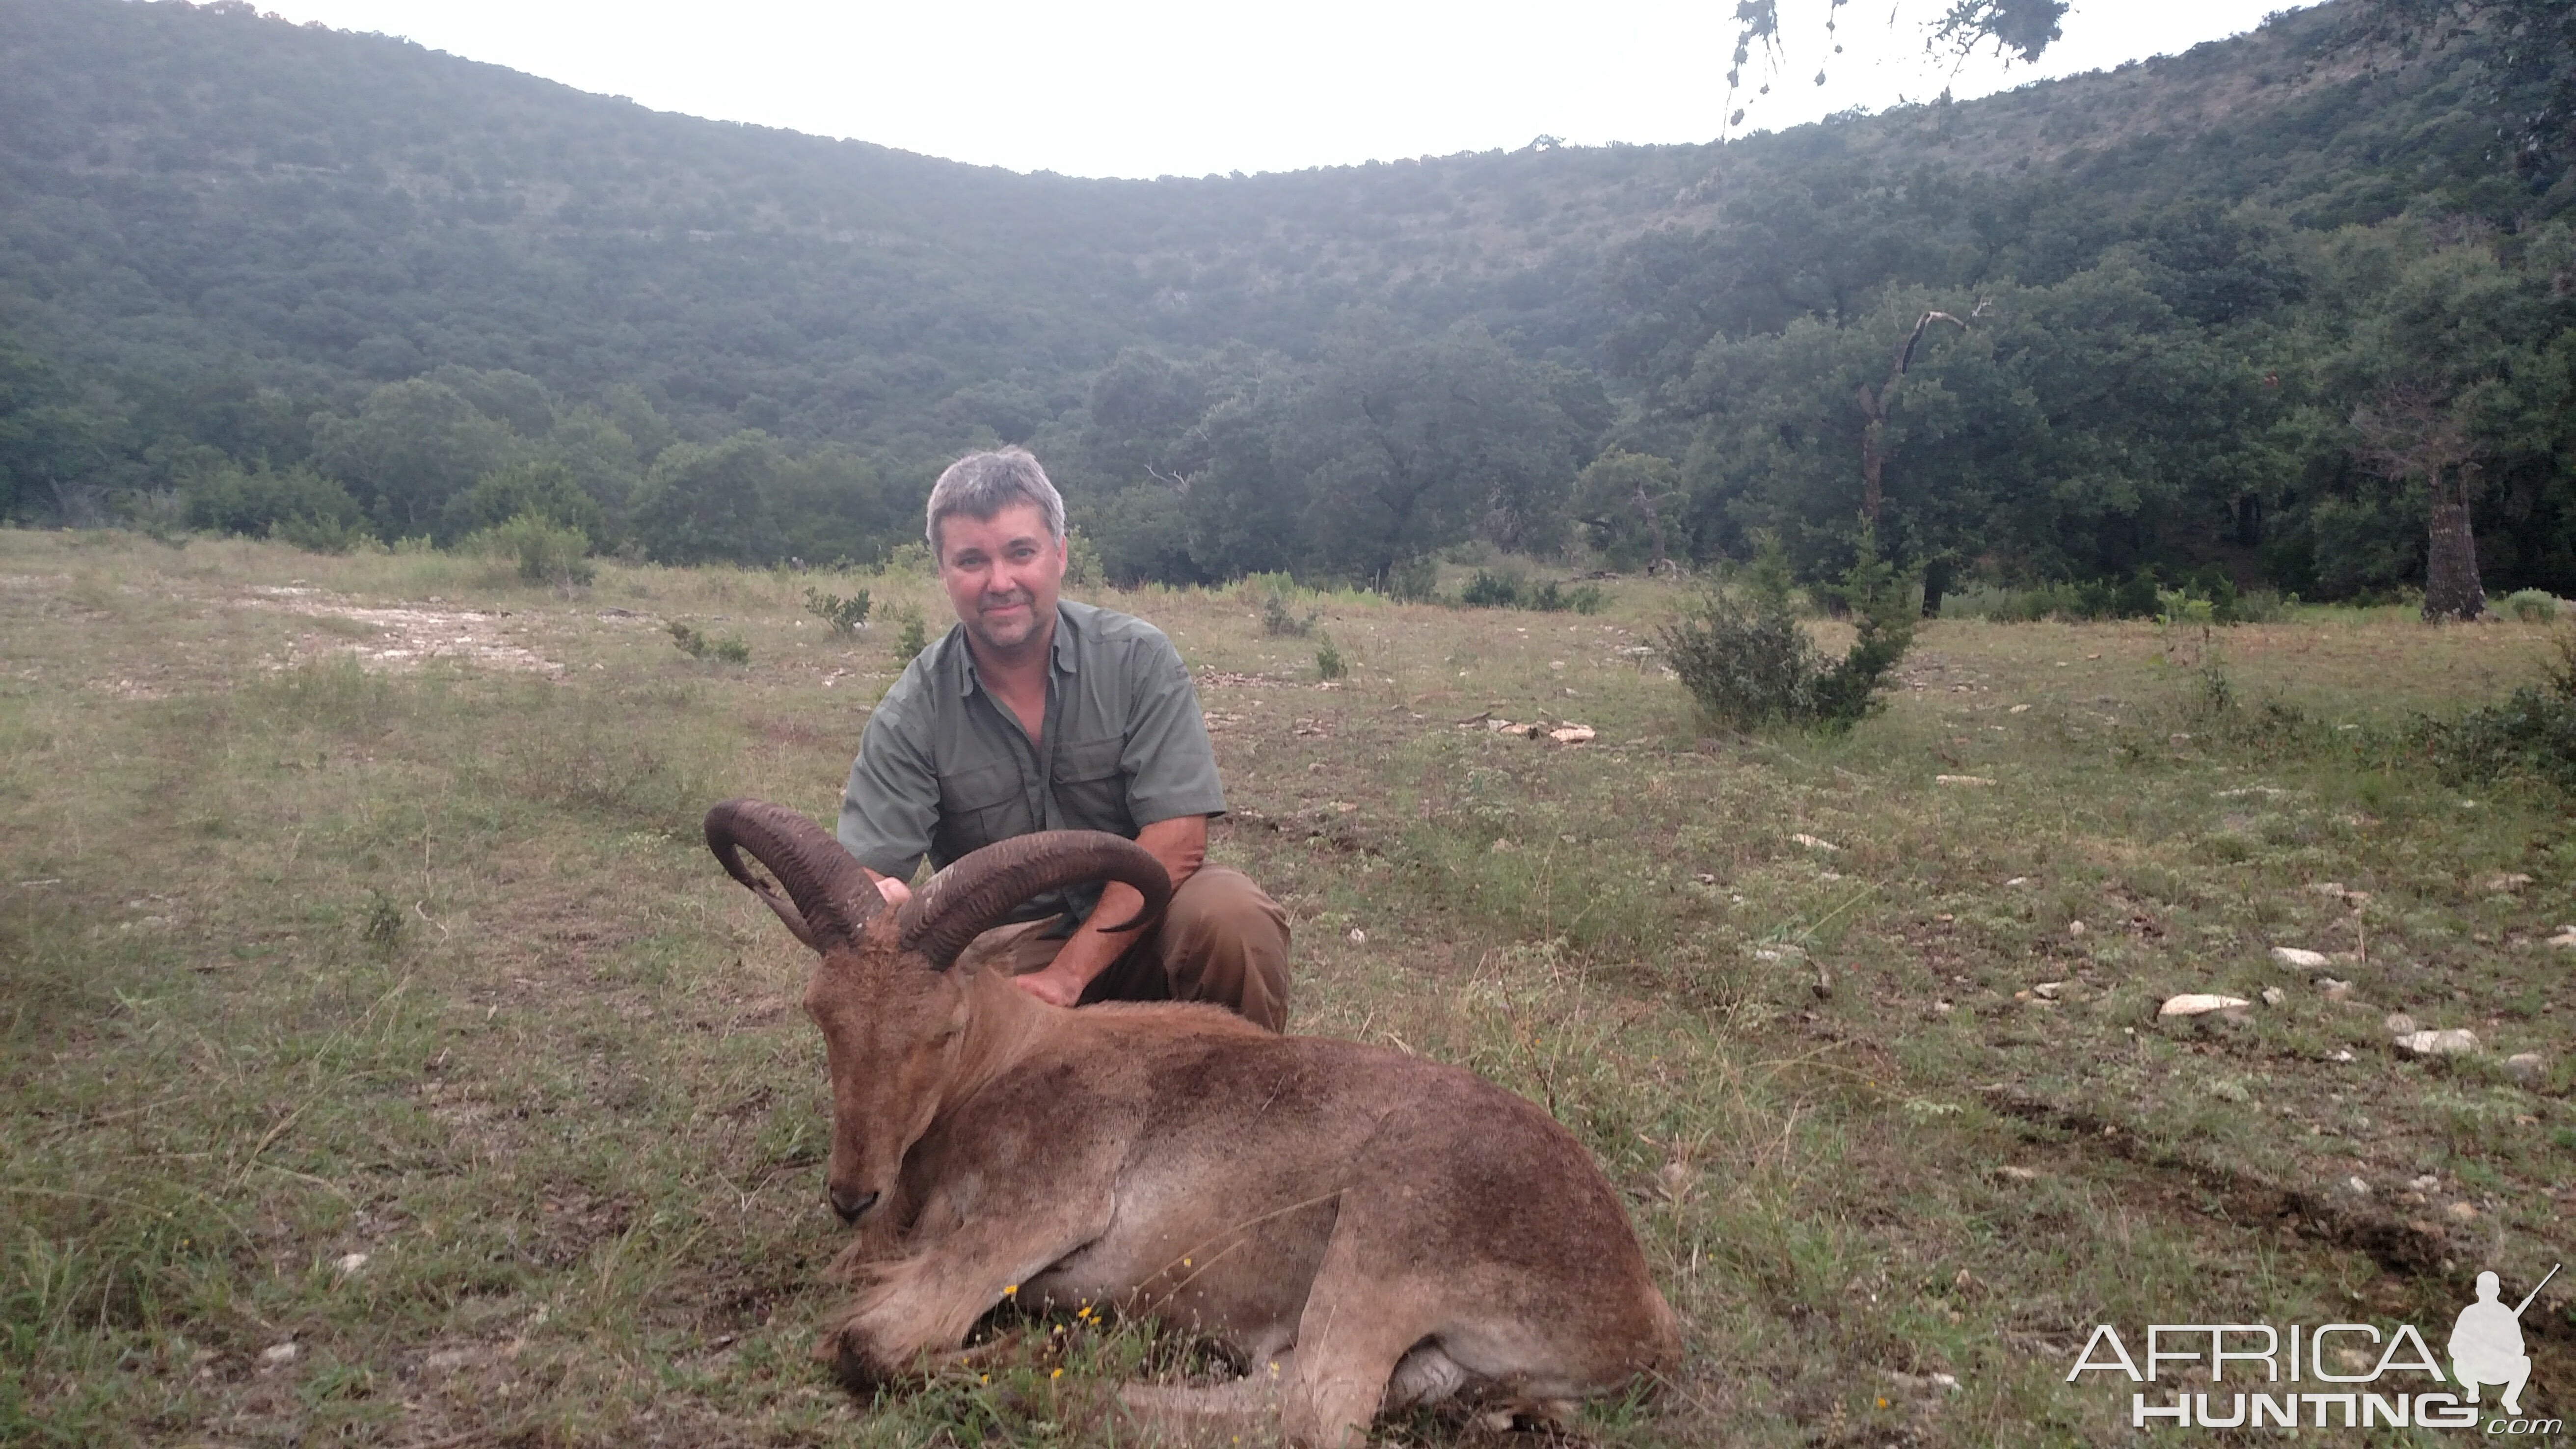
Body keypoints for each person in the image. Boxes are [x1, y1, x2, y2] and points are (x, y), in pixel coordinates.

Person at [836, 448, 1291, 1030]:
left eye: (1020, 552)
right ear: (945, 574)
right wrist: (880, 897)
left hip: (1145, 922)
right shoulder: (912, 711)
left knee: (1233, 919)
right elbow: (859, 877)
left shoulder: (1137, 658)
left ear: (1059, 554)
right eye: (971, 560)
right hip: (1008, 953)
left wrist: (1071, 973)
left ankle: (1248, 1105)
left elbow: (1179, 838)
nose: (1000, 582)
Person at [2448, 1270, 2533, 1416]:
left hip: (2498, 1368)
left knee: (2525, 1363)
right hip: (2474, 1368)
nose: (2487, 1294)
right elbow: (2454, 1346)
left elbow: (2520, 1346)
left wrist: (2508, 1351)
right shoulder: (2469, 1313)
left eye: (2491, 1290)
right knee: (2459, 1363)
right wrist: (2469, 1350)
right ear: (2477, 1291)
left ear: (2498, 1291)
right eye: (2484, 1290)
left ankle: (2510, 1399)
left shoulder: (2506, 1314)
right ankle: (2473, 1389)